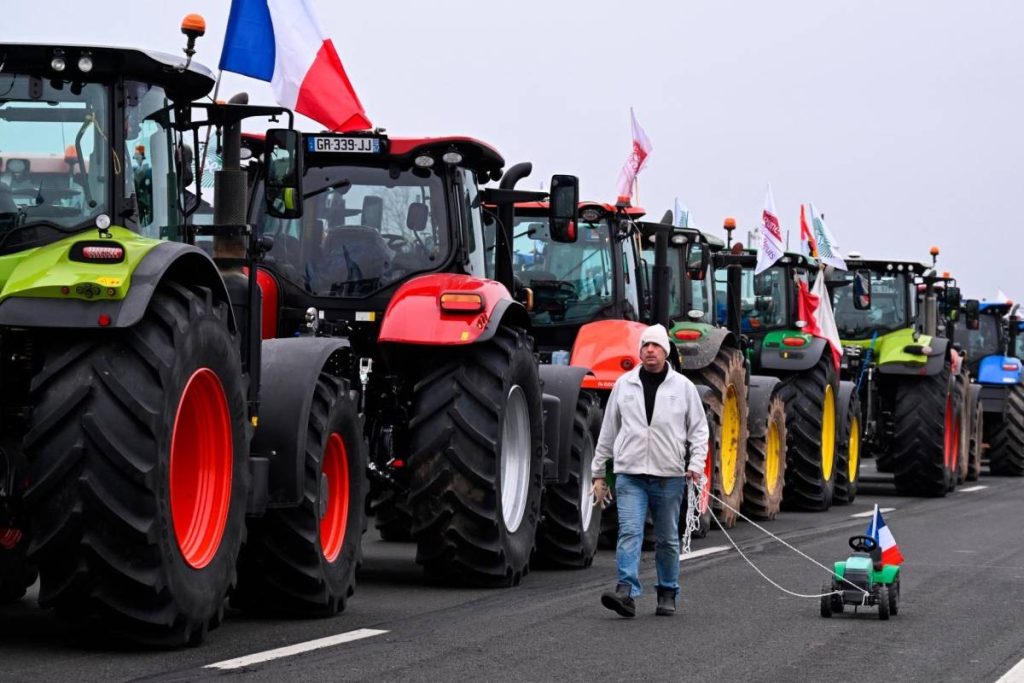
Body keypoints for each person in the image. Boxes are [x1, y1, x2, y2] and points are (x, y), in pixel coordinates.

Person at [591, 323, 709, 618]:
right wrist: (598, 474)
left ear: (665, 351)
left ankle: (667, 591)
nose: (650, 350)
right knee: (629, 532)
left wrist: (695, 465)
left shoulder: (683, 388)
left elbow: (699, 431)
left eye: (655, 346)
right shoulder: (624, 385)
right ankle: (626, 592)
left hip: (669, 477)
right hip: (630, 475)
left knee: (667, 537)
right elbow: (608, 432)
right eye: (645, 346)